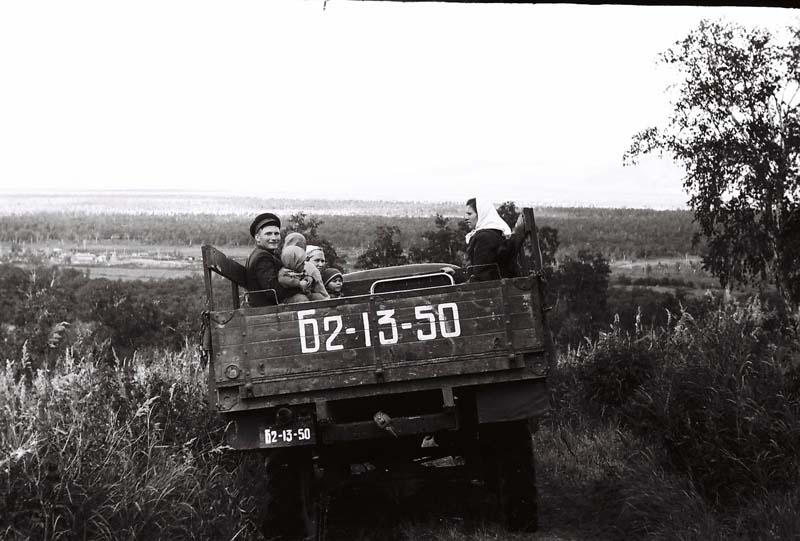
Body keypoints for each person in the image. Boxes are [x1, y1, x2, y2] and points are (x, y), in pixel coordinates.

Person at [464, 197, 524, 282]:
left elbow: (482, 275)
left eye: (469, 214)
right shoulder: (494, 233)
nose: (465, 218)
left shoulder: (484, 238)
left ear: (481, 215)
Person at [245, 212, 287, 307]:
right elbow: (273, 291)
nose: (274, 238)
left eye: (276, 234)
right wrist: (298, 286)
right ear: (257, 237)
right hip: (268, 311)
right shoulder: (262, 258)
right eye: (268, 234)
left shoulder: (266, 254)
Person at [285, 233, 329, 300]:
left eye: (323, 261)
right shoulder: (310, 268)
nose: (321, 264)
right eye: (317, 260)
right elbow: (325, 296)